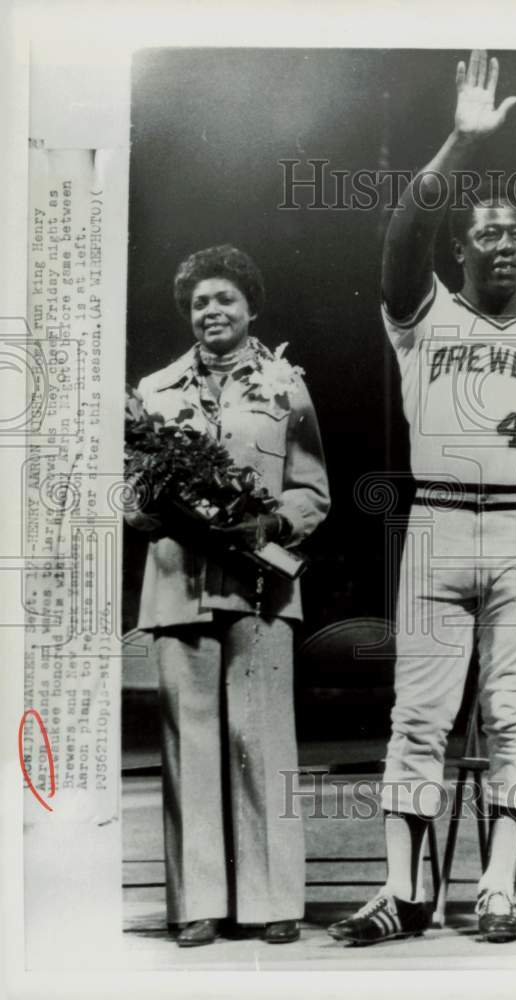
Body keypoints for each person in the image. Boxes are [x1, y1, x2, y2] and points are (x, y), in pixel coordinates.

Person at [328, 50, 516, 946]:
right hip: (436, 522)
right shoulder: (420, 314)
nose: (505, 244)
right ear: (459, 248)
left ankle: (495, 889)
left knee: (513, 713)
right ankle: (400, 892)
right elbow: (398, 237)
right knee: (416, 716)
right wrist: (459, 144)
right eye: (488, 233)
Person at [126, 244, 330, 947]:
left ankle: (274, 902)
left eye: (224, 299)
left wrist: (274, 521)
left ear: (250, 307)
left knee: (263, 739)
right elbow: (123, 494)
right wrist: (143, 508)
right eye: (198, 302)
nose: (211, 311)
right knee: (190, 745)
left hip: (260, 584)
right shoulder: (150, 394)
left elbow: (313, 489)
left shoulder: (285, 387)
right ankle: (199, 905)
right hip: (177, 582)